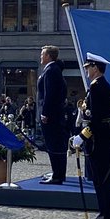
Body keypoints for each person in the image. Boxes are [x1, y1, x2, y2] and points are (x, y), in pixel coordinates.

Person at [73, 53, 110, 219]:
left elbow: (96, 120)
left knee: (101, 180)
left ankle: (105, 218)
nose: (86, 70)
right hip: (102, 137)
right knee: (101, 180)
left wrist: (82, 136)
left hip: (98, 139)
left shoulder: (97, 87)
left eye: (88, 67)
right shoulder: (100, 86)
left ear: (95, 68)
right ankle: (105, 216)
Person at [36, 45, 68, 185]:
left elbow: (49, 94)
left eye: (42, 54)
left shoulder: (51, 70)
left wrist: (45, 112)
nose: (41, 56)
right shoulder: (55, 70)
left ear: (48, 56)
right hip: (56, 113)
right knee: (56, 144)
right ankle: (59, 172)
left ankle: (57, 175)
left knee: (53, 144)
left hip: (51, 115)